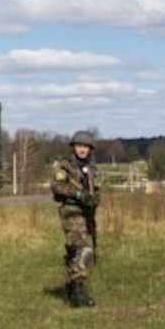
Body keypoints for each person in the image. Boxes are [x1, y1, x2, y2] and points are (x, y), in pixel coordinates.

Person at [50, 130, 101, 308]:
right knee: (83, 248)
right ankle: (78, 289)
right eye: (79, 146)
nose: (82, 150)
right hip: (71, 211)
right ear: (73, 148)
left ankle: (72, 286)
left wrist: (94, 199)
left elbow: (96, 189)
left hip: (87, 213)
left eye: (85, 147)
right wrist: (78, 194)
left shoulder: (91, 169)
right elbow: (57, 185)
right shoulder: (65, 166)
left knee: (75, 249)